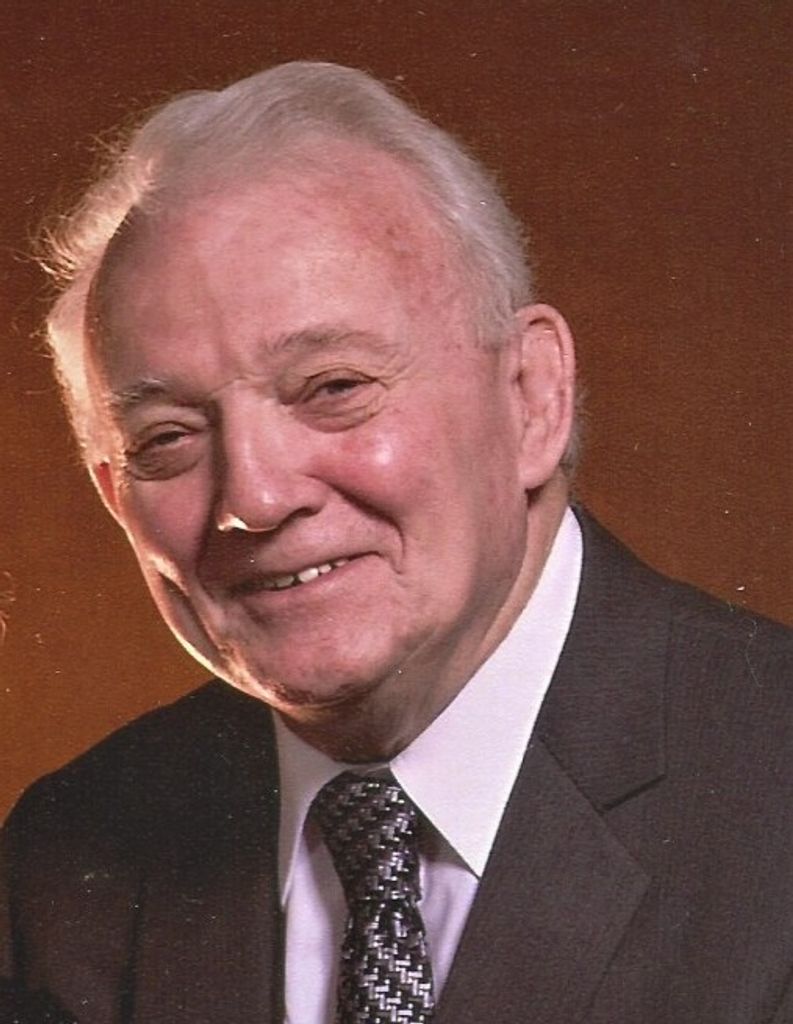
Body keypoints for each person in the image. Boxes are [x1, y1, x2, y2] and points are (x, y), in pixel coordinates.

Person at [1, 61, 792, 1024]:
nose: (253, 499)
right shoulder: (63, 861)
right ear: (113, 495)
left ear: (531, 397)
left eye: (334, 388)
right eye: (167, 438)